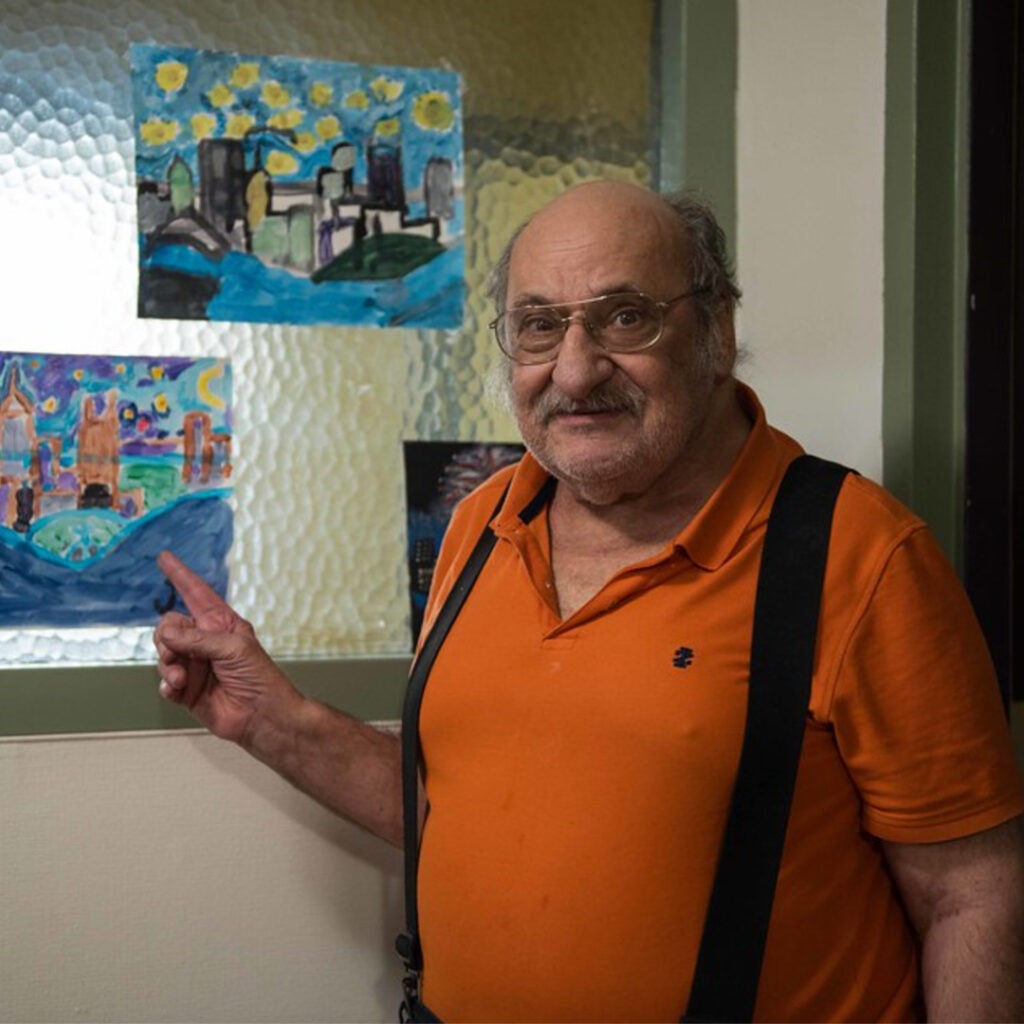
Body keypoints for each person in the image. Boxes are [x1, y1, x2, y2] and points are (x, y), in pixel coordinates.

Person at [154, 181, 1024, 1023]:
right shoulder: (479, 525)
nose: (575, 369)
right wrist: (271, 719)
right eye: (538, 326)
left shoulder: (858, 555)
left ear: (716, 328)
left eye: (624, 317)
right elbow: (454, 815)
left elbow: (973, 897)